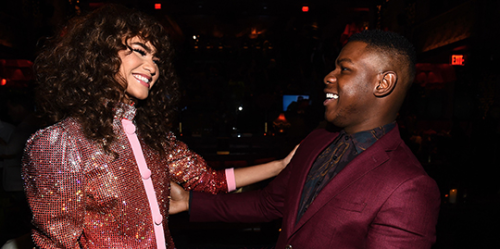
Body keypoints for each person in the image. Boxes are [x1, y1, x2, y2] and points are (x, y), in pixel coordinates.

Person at [21, 4, 294, 248]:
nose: (151, 67)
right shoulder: (60, 143)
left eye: (156, 59)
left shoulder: (152, 136)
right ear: (99, 56)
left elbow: (210, 181)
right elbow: (55, 244)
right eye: (139, 52)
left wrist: (280, 166)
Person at [169, 30, 441, 248]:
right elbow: (268, 203)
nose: (328, 76)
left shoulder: (409, 186)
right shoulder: (317, 140)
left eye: (344, 69)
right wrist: (190, 202)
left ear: (383, 84)